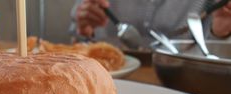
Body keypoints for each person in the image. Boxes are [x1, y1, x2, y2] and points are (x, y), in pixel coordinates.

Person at [70, 0, 231, 47]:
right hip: (111, 75)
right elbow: (76, 37)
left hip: (182, 82)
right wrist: (84, 31)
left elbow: (212, 54)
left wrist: (220, 33)